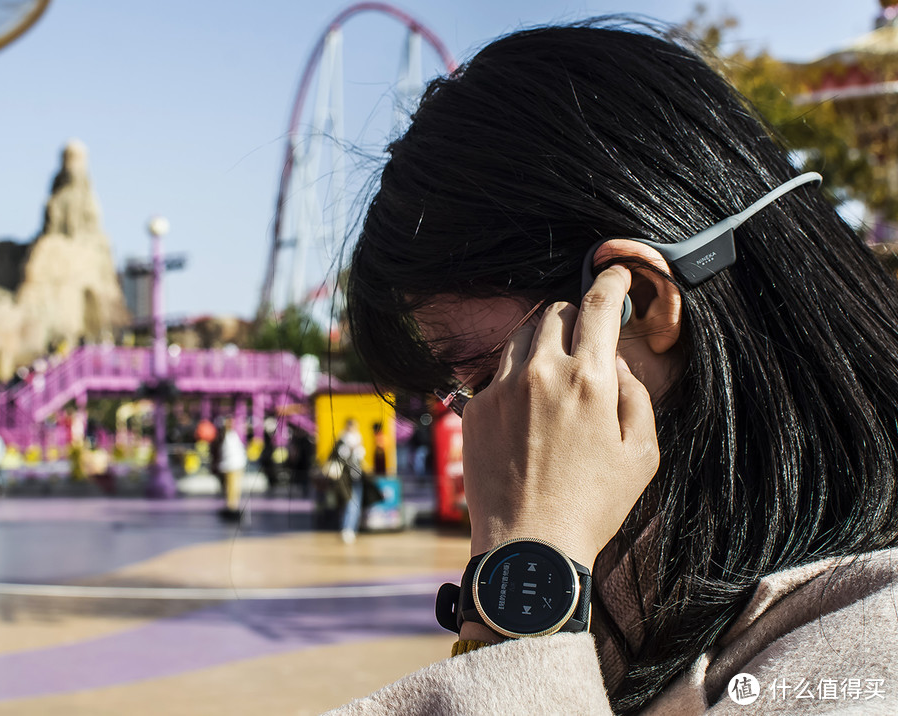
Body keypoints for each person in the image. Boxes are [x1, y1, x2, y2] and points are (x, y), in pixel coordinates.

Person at [333, 20, 898, 715]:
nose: (480, 422)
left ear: (634, 302)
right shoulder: (689, 607)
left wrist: (525, 578)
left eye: (483, 378)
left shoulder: (868, 658)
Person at [334, 419, 367, 544]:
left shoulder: (359, 438)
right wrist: (351, 449)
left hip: (357, 476)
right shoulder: (342, 440)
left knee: (355, 503)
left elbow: (361, 457)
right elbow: (341, 456)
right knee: (351, 503)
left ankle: (351, 528)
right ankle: (347, 529)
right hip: (346, 478)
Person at [217, 417, 247, 522]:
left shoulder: (232, 436)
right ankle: (231, 506)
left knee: (233, 487)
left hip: (234, 465)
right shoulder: (229, 436)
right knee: (231, 487)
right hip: (232, 466)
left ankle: (233, 505)